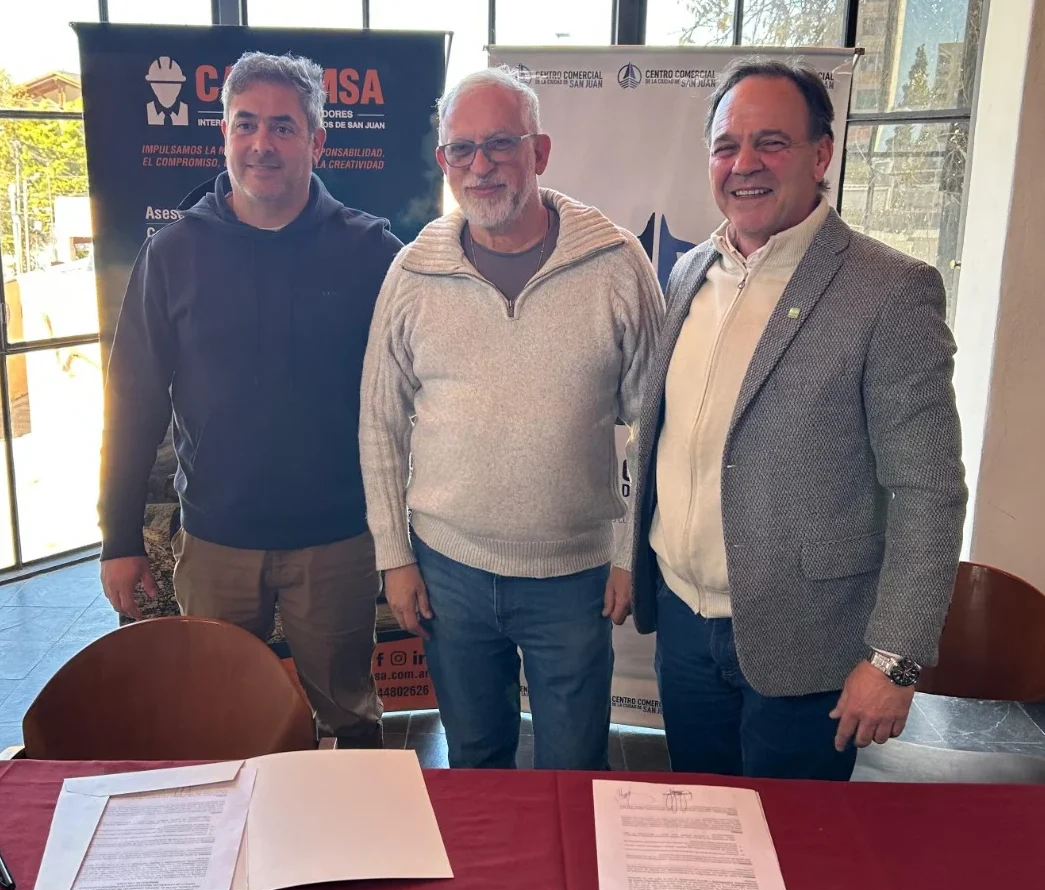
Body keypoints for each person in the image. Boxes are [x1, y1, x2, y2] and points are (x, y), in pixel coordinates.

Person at [629, 59, 967, 781]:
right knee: (707, 836)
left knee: (800, 861)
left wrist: (893, 658)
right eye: (726, 146)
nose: (743, 165)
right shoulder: (690, 272)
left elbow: (929, 491)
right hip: (684, 632)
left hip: (808, 644)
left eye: (770, 142)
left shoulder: (890, 292)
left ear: (821, 154)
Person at [360, 67, 663, 770]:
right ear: (443, 162)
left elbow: (652, 420)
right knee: (474, 756)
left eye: (500, 143)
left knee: (573, 763)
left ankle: (572, 882)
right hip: (447, 573)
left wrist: (628, 554)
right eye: (460, 150)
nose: (481, 165)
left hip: (574, 575)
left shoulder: (617, 264)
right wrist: (394, 557)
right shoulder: (412, 274)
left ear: (540, 151)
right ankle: (487, 883)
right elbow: (379, 421)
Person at [99, 51, 402, 747]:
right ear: (225, 136)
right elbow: (133, 402)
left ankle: (352, 855)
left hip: (335, 541)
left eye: (283, 127)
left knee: (350, 718)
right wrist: (119, 537)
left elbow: (413, 394)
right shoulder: (172, 253)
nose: (261, 144)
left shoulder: (370, 251)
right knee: (218, 722)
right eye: (245, 125)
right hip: (215, 544)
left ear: (317, 141)